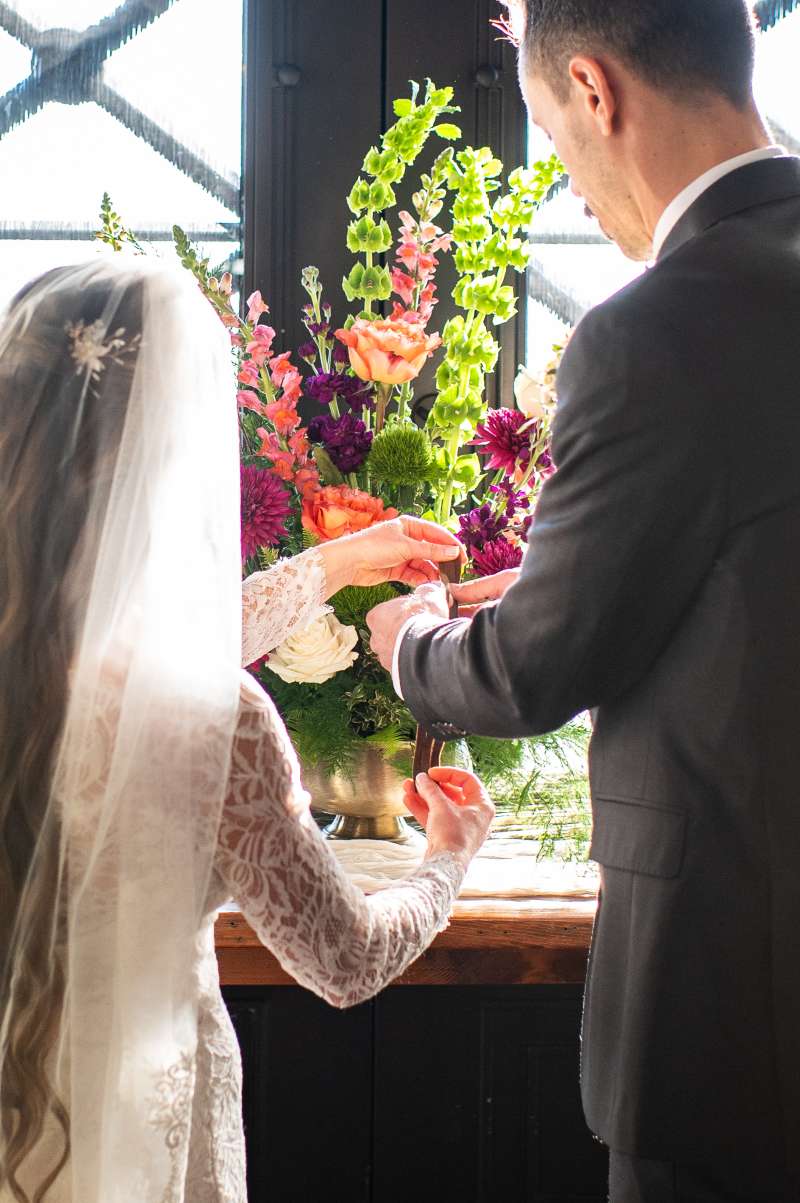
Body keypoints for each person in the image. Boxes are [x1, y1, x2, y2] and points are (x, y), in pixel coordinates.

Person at [367, 1, 800, 1198]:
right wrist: (581, 578)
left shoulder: (656, 328)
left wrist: (412, 641)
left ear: (595, 93)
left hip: (732, 1006)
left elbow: (527, 676)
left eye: (553, 138)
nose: (567, 181)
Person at [0, 257, 494, 1203]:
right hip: (144, 1139)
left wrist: (332, 564)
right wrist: (448, 856)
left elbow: (141, 664)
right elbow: (345, 959)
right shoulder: (215, 723)